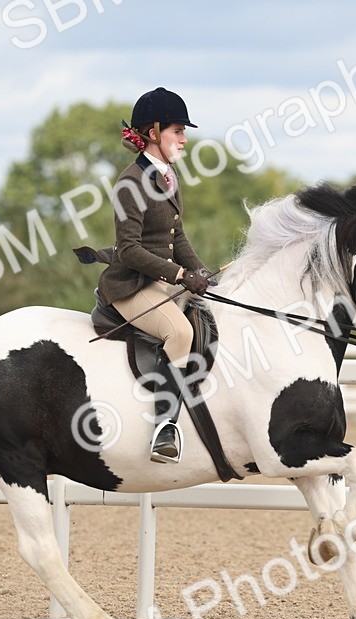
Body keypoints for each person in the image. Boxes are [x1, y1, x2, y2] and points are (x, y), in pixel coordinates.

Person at [97, 87, 211, 464]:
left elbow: (177, 235)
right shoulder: (130, 183)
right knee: (179, 331)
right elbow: (128, 249)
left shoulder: (168, 176)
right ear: (153, 132)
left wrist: (200, 273)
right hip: (131, 285)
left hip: (161, 280)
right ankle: (165, 428)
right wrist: (180, 274)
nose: (184, 138)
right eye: (178, 130)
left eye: (184, 131)